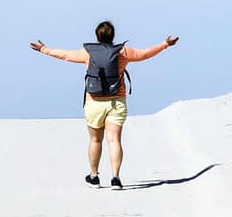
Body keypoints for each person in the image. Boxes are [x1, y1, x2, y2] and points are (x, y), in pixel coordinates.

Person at [30, 21, 178, 188]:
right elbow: (145, 54)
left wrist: (44, 49)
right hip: (117, 101)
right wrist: (165, 44)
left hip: (94, 102)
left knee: (95, 141)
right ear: (113, 35)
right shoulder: (123, 51)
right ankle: (115, 178)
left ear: (97, 36)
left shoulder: (88, 53)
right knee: (114, 140)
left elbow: (65, 55)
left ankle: (94, 177)